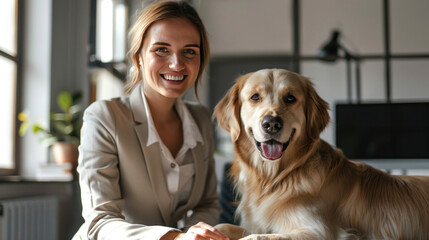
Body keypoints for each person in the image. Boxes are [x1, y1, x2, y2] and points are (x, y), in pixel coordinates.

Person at [73, 1, 229, 239]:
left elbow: (207, 204)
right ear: (138, 58)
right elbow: (99, 222)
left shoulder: (200, 119)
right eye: (161, 50)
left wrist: (192, 234)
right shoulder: (104, 117)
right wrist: (175, 237)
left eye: (189, 51)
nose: (177, 63)